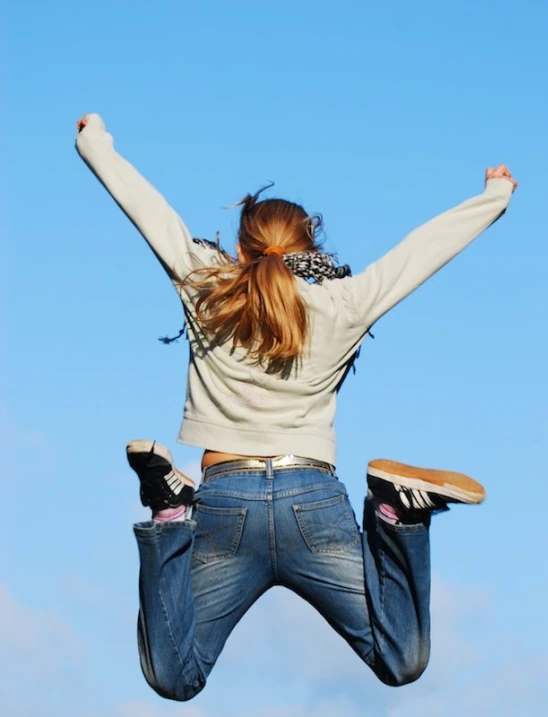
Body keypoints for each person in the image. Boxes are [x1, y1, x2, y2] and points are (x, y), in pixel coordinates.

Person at [76, 113, 517, 701]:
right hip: (313, 504)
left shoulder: (207, 283)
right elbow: (417, 254)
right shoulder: (344, 301)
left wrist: (94, 141)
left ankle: (168, 518)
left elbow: (149, 211)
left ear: (240, 247)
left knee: (174, 675)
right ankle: (396, 516)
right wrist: (492, 197)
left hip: (224, 500)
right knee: (401, 658)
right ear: (311, 244)